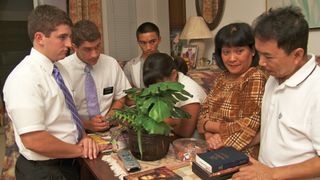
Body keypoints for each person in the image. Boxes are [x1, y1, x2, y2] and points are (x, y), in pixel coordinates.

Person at [2, 5, 99, 180]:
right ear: (40, 38)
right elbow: (34, 140)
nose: (69, 44)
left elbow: (70, 115)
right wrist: (80, 150)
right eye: (62, 37)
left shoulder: (60, 69)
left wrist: (83, 137)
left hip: (69, 162)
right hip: (44, 171)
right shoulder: (24, 78)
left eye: (69, 37)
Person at [233, 6, 320, 180]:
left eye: (268, 56)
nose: (261, 63)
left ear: (297, 55)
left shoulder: (316, 90)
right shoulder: (274, 77)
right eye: (259, 54)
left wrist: (273, 174)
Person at [197, 23, 267, 159]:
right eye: (226, 52)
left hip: (243, 153)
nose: (232, 58)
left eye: (239, 51)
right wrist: (209, 136)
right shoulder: (222, 77)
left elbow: (249, 124)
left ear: (252, 51)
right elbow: (204, 111)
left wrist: (209, 126)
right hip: (213, 147)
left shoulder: (255, 76)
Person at [59, 20, 131, 132]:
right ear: (74, 47)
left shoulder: (111, 63)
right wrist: (86, 124)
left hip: (108, 128)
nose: (95, 54)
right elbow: (60, 112)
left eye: (97, 47)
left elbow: (121, 96)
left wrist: (110, 117)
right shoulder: (61, 70)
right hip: (75, 131)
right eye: (87, 49)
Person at [143, 52, 207, 138]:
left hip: (195, 141)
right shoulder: (173, 82)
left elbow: (185, 133)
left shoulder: (189, 93)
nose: (155, 91)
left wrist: (166, 121)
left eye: (159, 86)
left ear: (173, 74)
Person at [124, 22, 161, 88]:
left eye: (152, 41)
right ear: (138, 42)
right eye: (143, 43)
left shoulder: (170, 62)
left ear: (159, 40)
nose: (148, 47)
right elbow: (128, 93)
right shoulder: (130, 67)